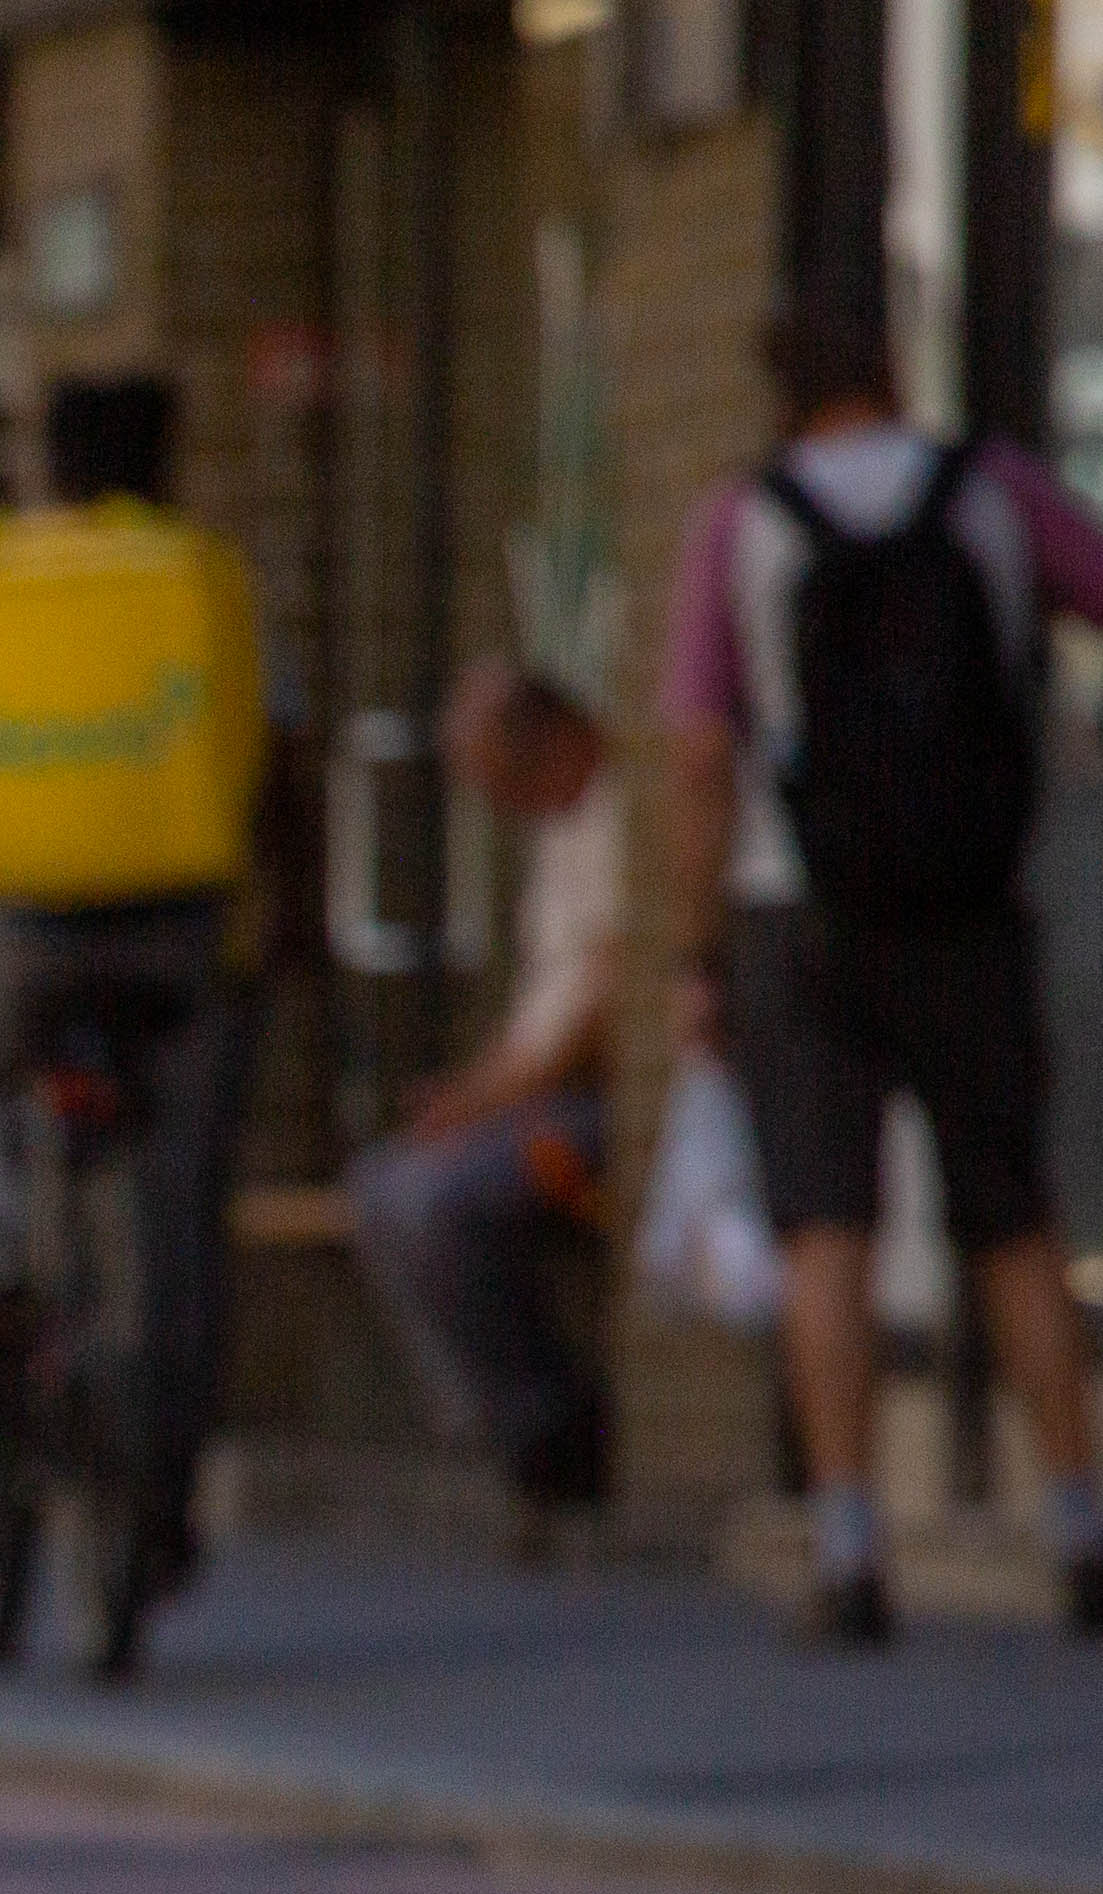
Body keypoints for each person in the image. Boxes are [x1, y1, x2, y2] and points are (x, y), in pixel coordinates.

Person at [658, 305, 1103, 1644]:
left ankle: (849, 1547)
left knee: (825, 1230)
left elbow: (696, 753)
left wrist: (692, 952)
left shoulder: (740, 522)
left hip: (797, 912)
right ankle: (1075, 1522)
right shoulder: (992, 490)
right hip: (969, 907)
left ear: (778, 393)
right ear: (893, 372)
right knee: (1011, 1219)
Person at [0, 373, 268, 1572]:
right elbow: (261, 751)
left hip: (22, 944)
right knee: (178, 1220)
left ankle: (2, 1264)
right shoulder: (196, 579)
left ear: (48, 462)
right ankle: (160, 1503)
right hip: (175, 941)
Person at [350, 661, 621, 1534]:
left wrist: (478, 1104)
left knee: (432, 1198)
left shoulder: (615, 819)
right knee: (380, 1187)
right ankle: (501, 1418)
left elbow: (591, 1021)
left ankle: (546, 1421)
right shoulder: (557, 831)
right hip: (536, 1097)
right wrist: (467, 1095)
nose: (500, 807)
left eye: (502, 783)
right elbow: (536, 1018)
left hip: (593, 1109)